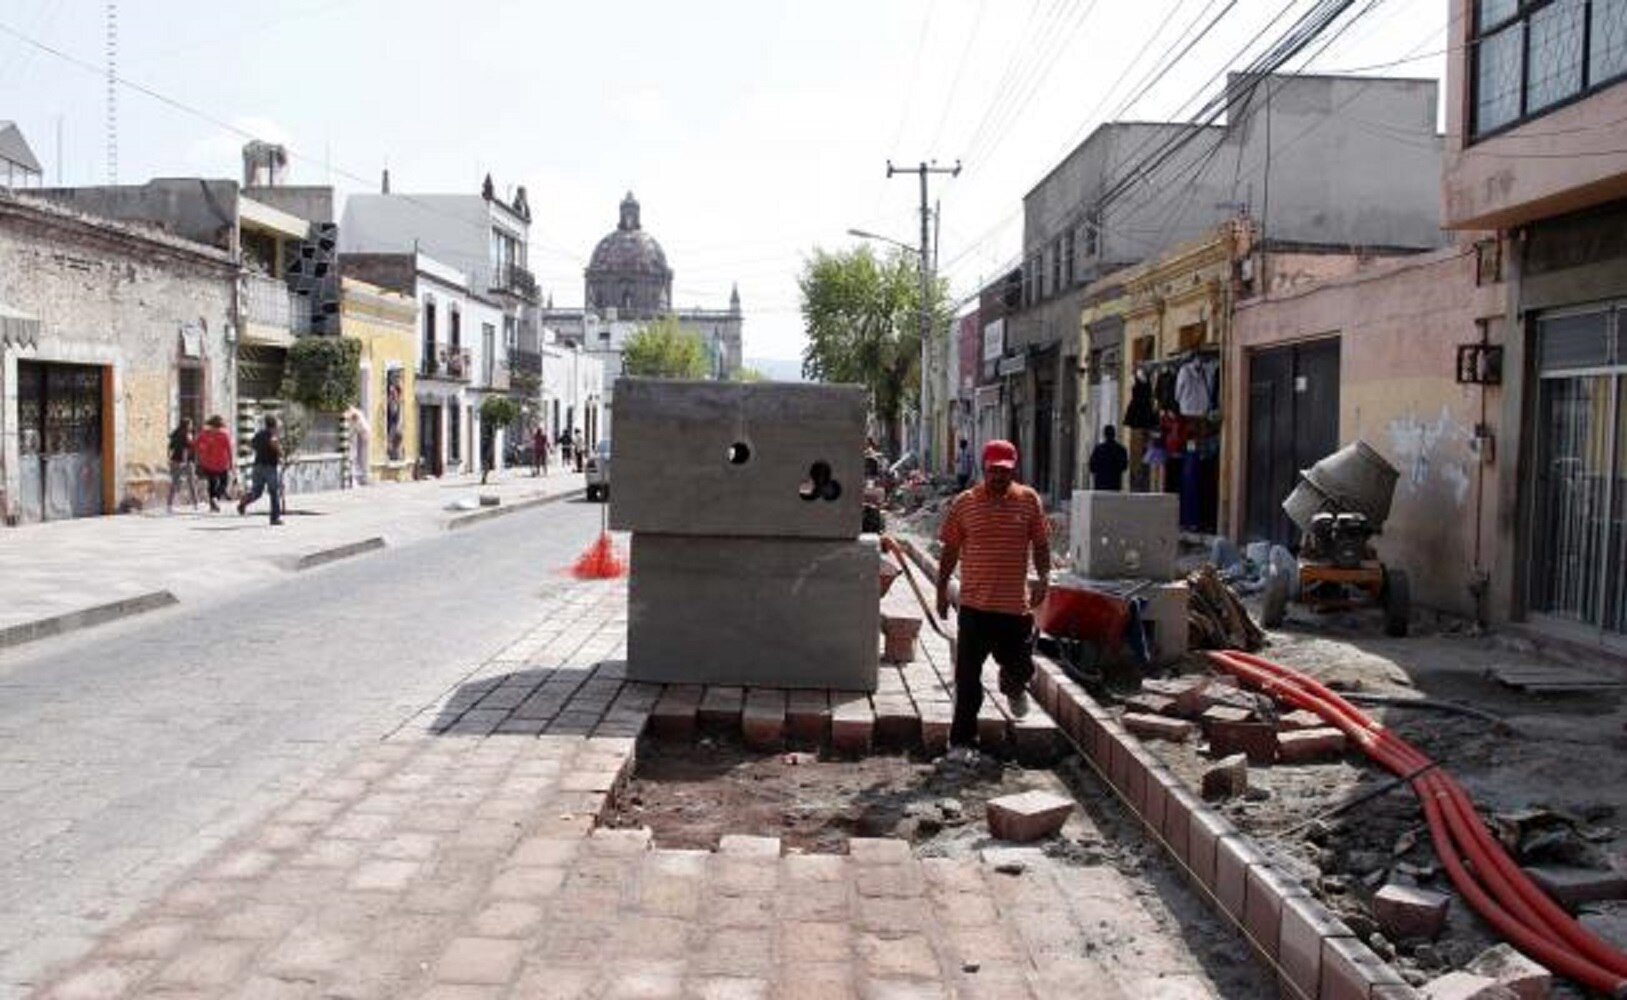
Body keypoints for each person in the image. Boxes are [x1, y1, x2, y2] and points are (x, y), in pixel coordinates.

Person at [935, 439, 1050, 764]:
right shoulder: (964, 503)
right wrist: (942, 589)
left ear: (1013, 469)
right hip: (974, 608)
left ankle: (1012, 685)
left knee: (1021, 666)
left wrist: (1044, 577)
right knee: (968, 678)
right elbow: (950, 550)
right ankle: (961, 742)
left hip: (1014, 608)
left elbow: (1040, 545)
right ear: (983, 469)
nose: (998, 476)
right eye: (993, 470)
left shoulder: (1029, 501)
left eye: (1005, 471)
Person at [237, 414, 284, 525]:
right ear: (274, 425)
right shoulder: (272, 435)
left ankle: (244, 502)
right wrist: (280, 453)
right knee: (274, 492)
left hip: (257, 466)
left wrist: (261, 450)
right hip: (270, 467)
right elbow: (274, 444)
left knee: (257, 492)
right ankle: (274, 518)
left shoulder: (259, 434)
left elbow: (252, 444)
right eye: (277, 425)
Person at [194, 415, 235, 513]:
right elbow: (229, 450)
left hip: (208, 463)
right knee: (224, 483)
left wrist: (200, 456)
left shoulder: (204, 434)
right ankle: (216, 498)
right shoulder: (224, 435)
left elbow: (195, 445)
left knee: (212, 484)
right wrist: (231, 463)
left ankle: (213, 504)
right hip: (222, 463)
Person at [166, 418, 200, 512]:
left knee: (174, 483)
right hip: (186, 461)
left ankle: (169, 505)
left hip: (175, 460)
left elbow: (170, 447)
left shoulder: (175, 434)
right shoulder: (187, 435)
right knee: (191, 483)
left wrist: (169, 459)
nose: (191, 426)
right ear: (187, 425)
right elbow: (188, 447)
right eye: (190, 424)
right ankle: (196, 504)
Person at [1088, 424, 1130, 492]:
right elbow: (1124, 467)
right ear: (1114, 434)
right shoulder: (1121, 450)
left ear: (1104, 435)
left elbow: (1092, 467)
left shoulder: (1098, 449)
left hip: (1100, 485)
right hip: (1115, 485)